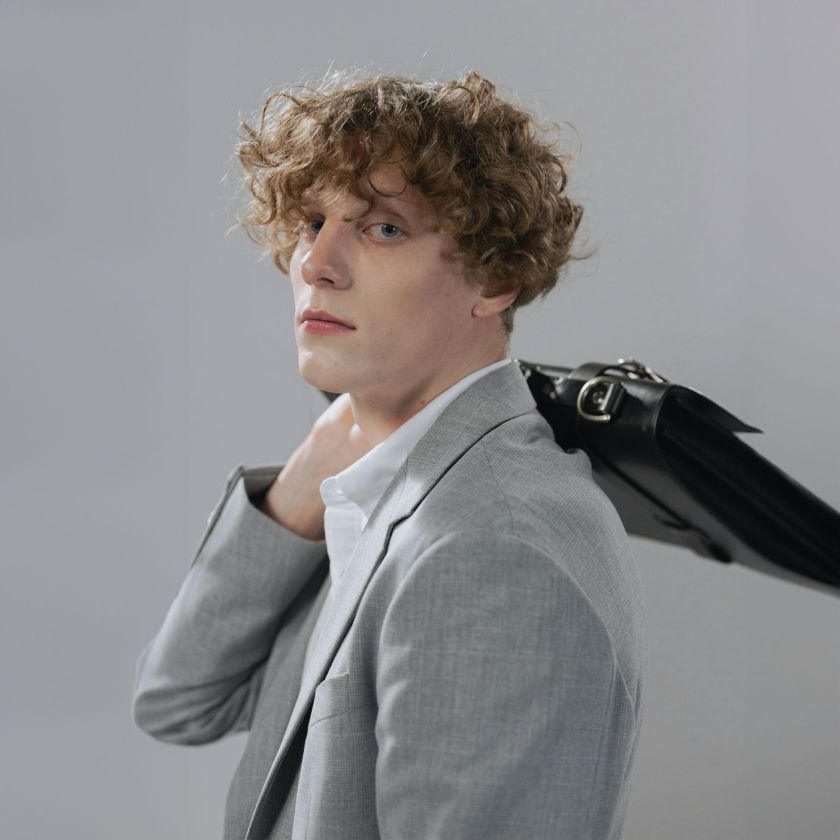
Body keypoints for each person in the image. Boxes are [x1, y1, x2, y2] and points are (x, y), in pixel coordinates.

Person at [132, 69, 648, 840]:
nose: (317, 263)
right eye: (312, 222)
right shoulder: (389, 485)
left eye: (382, 229)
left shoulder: (492, 549)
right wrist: (300, 488)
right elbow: (178, 701)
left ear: (496, 277)